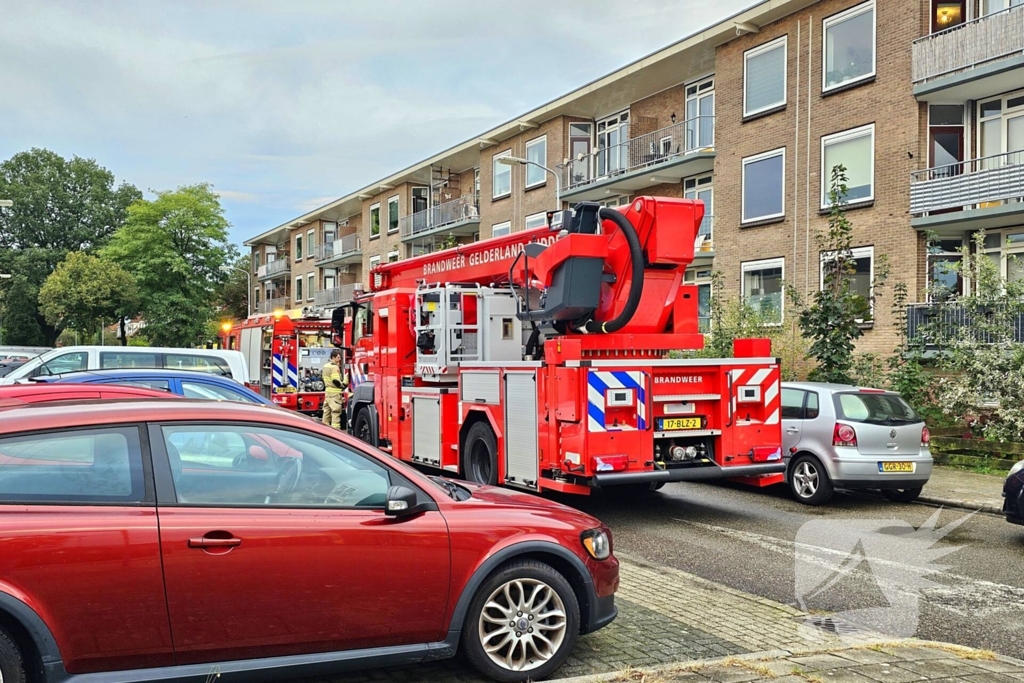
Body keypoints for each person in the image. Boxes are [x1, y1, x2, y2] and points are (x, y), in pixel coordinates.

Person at [321, 350, 347, 429]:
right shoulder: (335, 367)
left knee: (326, 413)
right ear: (333, 357)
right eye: (338, 357)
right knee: (335, 412)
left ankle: (324, 431)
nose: (340, 359)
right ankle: (336, 432)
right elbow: (335, 381)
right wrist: (343, 385)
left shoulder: (325, 366)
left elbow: (323, 378)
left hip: (328, 392)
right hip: (334, 394)